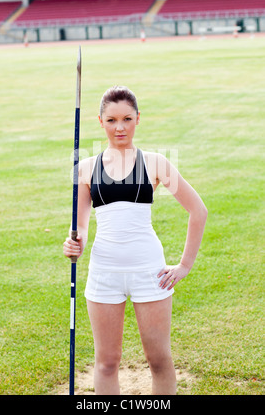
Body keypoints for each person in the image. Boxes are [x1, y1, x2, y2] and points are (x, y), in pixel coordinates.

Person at [63, 86, 207, 395]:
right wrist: (75, 243)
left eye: (127, 118)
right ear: (100, 121)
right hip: (104, 273)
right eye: (111, 119)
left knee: (158, 359)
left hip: (148, 271)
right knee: (106, 362)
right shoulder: (85, 168)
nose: (119, 127)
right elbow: (81, 227)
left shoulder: (155, 162)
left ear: (138, 119)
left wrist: (185, 265)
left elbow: (198, 210)